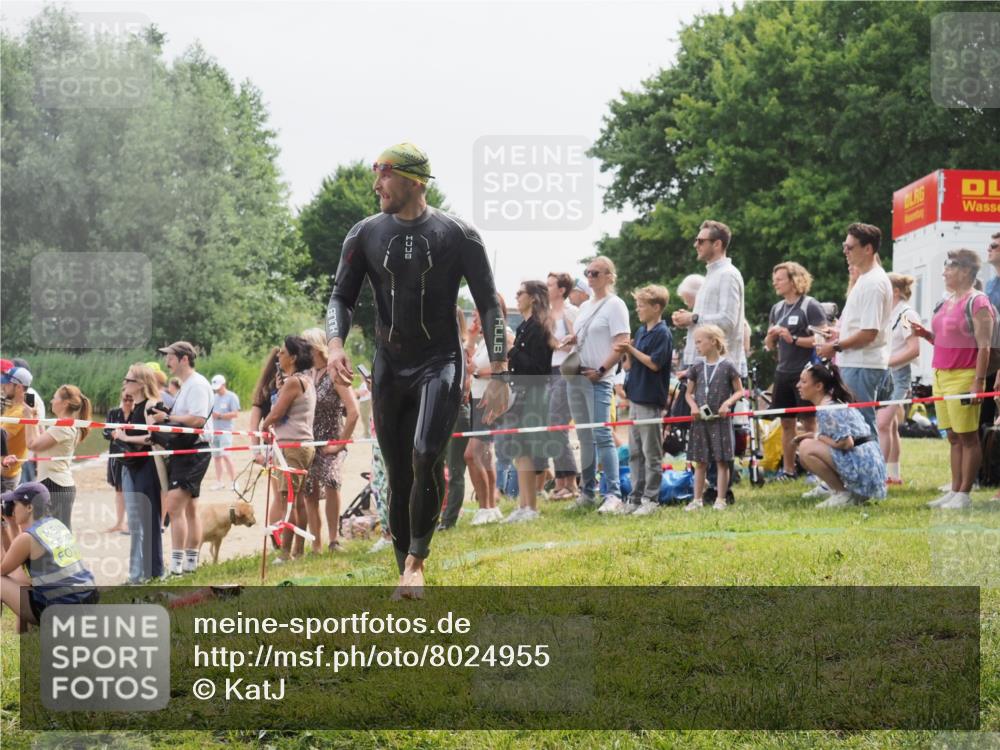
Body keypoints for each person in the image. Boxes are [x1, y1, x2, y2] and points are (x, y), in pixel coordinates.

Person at [326, 142, 509, 599]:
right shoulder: (364, 233)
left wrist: (501, 369)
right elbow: (340, 298)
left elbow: (489, 303)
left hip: (441, 361)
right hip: (390, 364)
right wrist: (333, 346)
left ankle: (416, 563)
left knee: (426, 453)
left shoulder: (458, 234)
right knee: (398, 471)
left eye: (383, 175)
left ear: (414, 181)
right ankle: (403, 573)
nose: (376, 185)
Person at [911, 249, 996, 510]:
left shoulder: (978, 302)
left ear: (966, 271)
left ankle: (964, 494)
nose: (944, 272)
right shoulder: (946, 301)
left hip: (965, 375)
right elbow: (949, 339)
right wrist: (927, 335)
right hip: (941, 373)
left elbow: (984, 346)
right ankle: (955, 488)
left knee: (967, 435)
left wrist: (978, 381)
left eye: (949, 267)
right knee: (952, 436)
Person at [562, 255, 631, 514]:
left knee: (602, 434)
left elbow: (622, 342)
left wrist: (602, 370)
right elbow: (586, 337)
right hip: (577, 377)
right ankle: (588, 492)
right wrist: (572, 339)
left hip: (599, 379)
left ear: (610, 277)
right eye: (588, 272)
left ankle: (612, 494)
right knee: (584, 435)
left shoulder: (616, 305)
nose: (590, 277)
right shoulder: (585, 307)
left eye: (596, 273)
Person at [816, 223, 893, 435]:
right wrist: (838, 335)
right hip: (858, 362)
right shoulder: (866, 278)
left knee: (863, 426)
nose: (845, 251)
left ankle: (874, 469)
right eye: (844, 246)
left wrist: (836, 346)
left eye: (850, 247)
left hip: (863, 363)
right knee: (857, 425)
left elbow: (869, 333)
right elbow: (864, 327)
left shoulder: (873, 282)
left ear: (868, 249)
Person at [148, 341, 214, 575]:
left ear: (184, 358)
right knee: (190, 509)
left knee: (175, 506)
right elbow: (186, 418)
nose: (167, 362)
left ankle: (176, 566)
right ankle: (189, 563)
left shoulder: (196, 384)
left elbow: (197, 419)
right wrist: (168, 417)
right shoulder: (188, 384)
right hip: (189, 449)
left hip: (194, 450)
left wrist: (166, 419)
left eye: (171, 357)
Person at [1, 482, 97, 633]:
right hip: (87, 600)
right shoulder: (56, 524)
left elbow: (3, 570)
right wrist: (11, 525)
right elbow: (17, 562)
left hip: (62, 611)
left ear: (29, 507)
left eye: (14, 503)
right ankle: (23, 635)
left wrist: (3, 529)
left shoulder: (27, 538)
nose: (11, 509)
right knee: (21, 577)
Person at [501, 280, 559, 523]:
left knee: (528, 449)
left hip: (533, 392)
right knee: (520, 450)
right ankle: (524, 504)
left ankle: (531, 507)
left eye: (520, 292)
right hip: (520, 390)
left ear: (533, 297)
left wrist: (512, 348)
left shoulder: (537, 327)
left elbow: (536, 366)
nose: (516, 296)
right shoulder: (526, 325)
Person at [763, 262, 827, 481]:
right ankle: (788, 471)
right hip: (783, 372)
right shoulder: (777, 308)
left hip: (806, 372)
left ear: (794, 280)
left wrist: (794, 339)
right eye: (774, 280)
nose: (775, 283)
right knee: (786, 423)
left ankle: (815, 470)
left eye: (779, 279)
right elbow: (769, 346)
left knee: (809, 422)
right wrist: (771, 338)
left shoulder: (810, 306)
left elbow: (822, 338)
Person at [795, 361, 887, 507]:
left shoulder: (828, 410)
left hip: (863, 467)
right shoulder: (830, 403)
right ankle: (832, 487)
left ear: (819, 386)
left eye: (803, 381)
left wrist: (818, 437)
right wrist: (816, 436)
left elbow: (846, 442)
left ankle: (843, 494)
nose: (798, 385)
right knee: (807, 444)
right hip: (869, 465)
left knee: (806, 449)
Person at [259, 336, 317, 562]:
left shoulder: (294, 383)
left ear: (293, 357)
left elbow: (277, 414)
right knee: (298, 499)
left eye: (282, 352)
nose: (278, 356)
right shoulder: (303, 380)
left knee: (288, 500)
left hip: (292, 446)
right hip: (300, 445)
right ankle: (298, 551)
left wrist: (263, 426)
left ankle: (285, 554)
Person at [301, 328, 359, 551]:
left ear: (315, 347)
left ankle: (334, 540)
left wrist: (339, 444)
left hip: (331, 440)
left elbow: (353, 412)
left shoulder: (334, 372)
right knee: (310, 491)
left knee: (332, 483)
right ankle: (316, 544)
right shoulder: (304, 374)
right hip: (309, 440)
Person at [618, 284, 672, 516]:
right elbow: (630, 365)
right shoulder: (641, 332)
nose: (638, 310)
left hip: (650, 400)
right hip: (635, 398)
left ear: (656, 307)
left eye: (642, 306)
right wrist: (625, 352)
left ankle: (652, 498)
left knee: (651, 452)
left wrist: (632, 349)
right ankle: (635, 497)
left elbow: (654, 363)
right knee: (635, 452)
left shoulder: (662, 333)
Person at [672, 220, 746, 377]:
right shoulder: (712, 275)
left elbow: (727, 321)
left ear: (717, 244)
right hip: (703, 364)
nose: (695, 245)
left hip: (718, 368)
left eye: (700, 241)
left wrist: (693, 318)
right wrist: (685, 319)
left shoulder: (728, 275)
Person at [113, 364, 166, 583]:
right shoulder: (135, 407)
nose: (124, 383)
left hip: (147, 467)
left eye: (128, 379)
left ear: (141, 384)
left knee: (147, 522)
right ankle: (137, 573)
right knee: (135, 523)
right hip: (131, 466)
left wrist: (125, 438)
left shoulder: (151, 405)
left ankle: (152, 571)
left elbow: (153, 437)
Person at [683, 325, 743, 511]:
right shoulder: (697, 367)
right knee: (700, 461)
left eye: (699, 341)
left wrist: (727, 403)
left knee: (721, 461)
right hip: (701, 421)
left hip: (721, 421)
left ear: (713, 341)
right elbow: (688, 393)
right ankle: (697, 500)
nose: (697, 346)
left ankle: (721, 499)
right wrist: (693, 406)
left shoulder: (728, 366)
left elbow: (740, 390)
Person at [465, 307, 510, 525]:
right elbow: (470, 363)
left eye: (477, 313)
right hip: (477, 398)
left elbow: (505, 367)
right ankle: (491, 506)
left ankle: (485, 506)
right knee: (484, 454)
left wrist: (478, 373)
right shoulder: (485, 339)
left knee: (472, 454)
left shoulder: (502, 333)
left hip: (490, 399)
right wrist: (472, 339)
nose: (474, 317)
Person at [24, 385, 91, 530]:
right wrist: (34, 419)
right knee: (57, 533)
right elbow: (41, 441)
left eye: (55, 398)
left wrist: (27, 418)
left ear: (65, 403)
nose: (51, 401)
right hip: (58, 483)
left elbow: (32, 444)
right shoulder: (68, 424)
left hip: (54, 484)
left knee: (54, 535)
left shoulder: (62, 426)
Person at [876, 274, 921, 485]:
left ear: (894, 291)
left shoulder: (906, 315)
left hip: (897, 376)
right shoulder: (888, 313)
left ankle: (880, 475)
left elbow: (914, 350)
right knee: (891, 425)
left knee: (882, 424)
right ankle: (893, 474)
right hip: (886, 375)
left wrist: (888, 362)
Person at [439, 309, 473, 531]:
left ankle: (449, 521)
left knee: (455, 470)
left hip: (457, 412)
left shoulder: (460, 348)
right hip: (442, 412)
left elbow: (464, 383)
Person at [546, 271, 580, 499]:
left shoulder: (572, 312)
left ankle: (571, 483)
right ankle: (561, 482)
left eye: (550, 285)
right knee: (552, 428)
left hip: (566, 371)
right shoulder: (546, 313)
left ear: (561, 290)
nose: (546, 289)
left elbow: (576, 344)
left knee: (556, 424)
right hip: (548, 371)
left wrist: (554, 343)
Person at [102, 389, 133, 533]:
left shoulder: (137, 413)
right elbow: (105, 432)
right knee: (119, 490)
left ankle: (129, 522)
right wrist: (113, 433)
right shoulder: (114, 413)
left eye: (130, 400)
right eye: (125, 399)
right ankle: (119, 522)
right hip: (116, 455)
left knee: (132, 489)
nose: (127, 403)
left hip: (133, 456)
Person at [1, 366, 32, 493]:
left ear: (18, 387)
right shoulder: (12, 406)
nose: (3, 386)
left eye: (7, 384)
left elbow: (2, 436)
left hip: (5, 476)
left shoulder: (20, 412)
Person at [209, 374, 240, 490]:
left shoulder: (232, 397)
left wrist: (220, 416)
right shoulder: (213, 397)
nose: (217, 390)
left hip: (226, 430)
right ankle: (219, 481)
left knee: (226, 455)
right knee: (216, 457)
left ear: (224, 385)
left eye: (219, 387)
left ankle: (234, 481)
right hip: (215, 431)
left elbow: (235, 413)